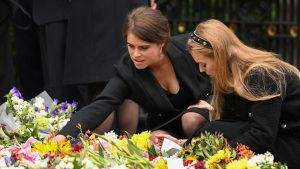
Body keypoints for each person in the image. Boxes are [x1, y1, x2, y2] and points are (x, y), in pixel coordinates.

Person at [153, 19, 300, 168]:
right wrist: (183, 144)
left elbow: (262, 135)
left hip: (290, 143)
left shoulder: (261, 73)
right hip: (273, 138)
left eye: (203, 64)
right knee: (213, 130)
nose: (201, 70)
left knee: (214, 132)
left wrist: (215, 156)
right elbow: (230, 122)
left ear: (220, 56)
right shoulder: (230, 75)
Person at [56, 6, 212, 141]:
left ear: (162, 43)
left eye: (143, 48)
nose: (135, 54)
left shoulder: (189, 47)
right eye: (131, 46)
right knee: (154, 140)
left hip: (206, 118)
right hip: (166, 129)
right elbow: (99, 106)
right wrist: (63, 136)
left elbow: (227, 65)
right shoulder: (128, 72)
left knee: (191, 118)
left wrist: (214, 102)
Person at [63, 0, 150, 135]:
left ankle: (96, 150)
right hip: (127, 9)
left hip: (98, 12)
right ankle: (128, 150)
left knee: (103, 88)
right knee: (130, 87)